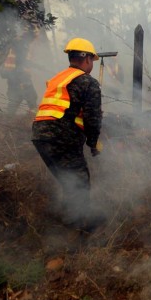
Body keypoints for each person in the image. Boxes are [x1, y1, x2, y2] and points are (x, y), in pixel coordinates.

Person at [31, 37, 104, 232]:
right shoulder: (88, 82)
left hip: (39, 136)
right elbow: (92, 118)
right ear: (86, 59)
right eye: (92, 61)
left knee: (68, 179)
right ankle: (80, 228)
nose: (92, 65)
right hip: (62, 136)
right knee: (79, 180)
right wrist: (94, 143)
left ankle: (67, 221)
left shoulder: (59, 78)